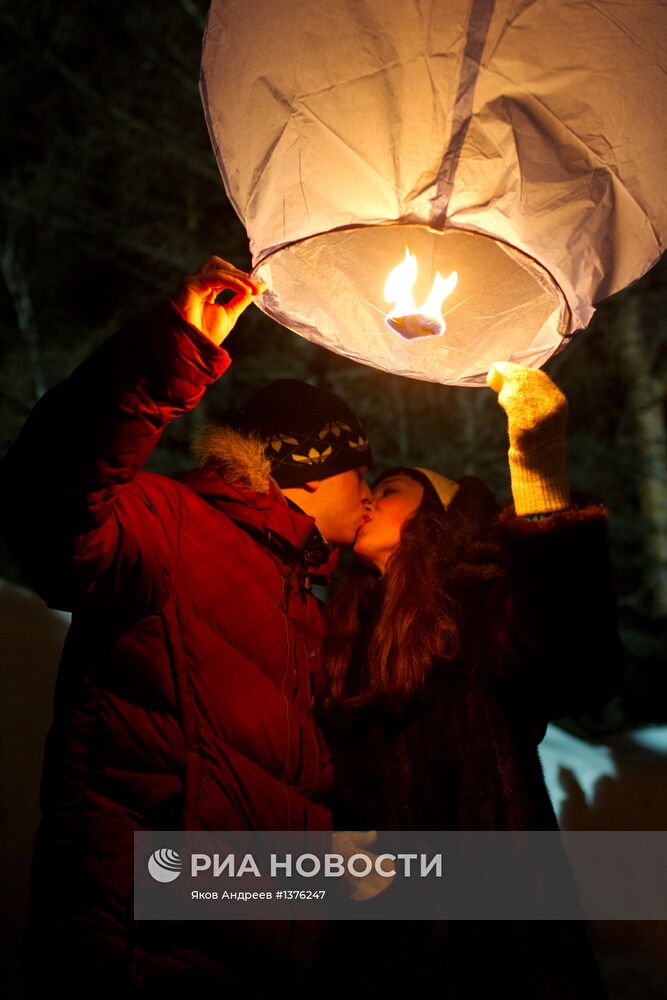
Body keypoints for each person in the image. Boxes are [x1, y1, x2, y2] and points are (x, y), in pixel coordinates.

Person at [0, 257, 372, 998]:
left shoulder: (304, 604)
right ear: (309, 469)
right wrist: (169, 352)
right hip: (140, 950)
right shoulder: (172, 527)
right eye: (361, 470)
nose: (368, 492)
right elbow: (49, 504)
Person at [317, 363, 622, 998]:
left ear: (440, 516)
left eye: (391, 488)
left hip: (501, 943)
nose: (368, 497)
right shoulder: (339, 636)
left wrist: (538, 469)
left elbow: (574, 657)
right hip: (376, 946)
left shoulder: (480, 609)